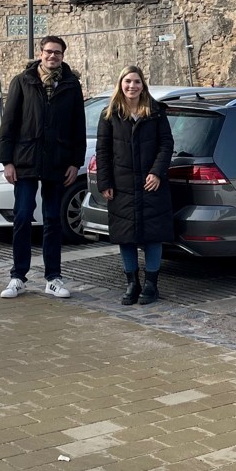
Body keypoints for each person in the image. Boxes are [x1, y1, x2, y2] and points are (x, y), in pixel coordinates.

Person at [0, 35, 87, 299]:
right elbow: (9, 124)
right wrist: (7, 161)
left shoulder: (71, 85)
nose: (52, 57)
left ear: (63, 55)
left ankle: (53, 277)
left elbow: (77, 128)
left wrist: (75, 162)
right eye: (48, 52)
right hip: (26, 159)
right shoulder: (23, 81)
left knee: (52, 219)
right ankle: (17, 276)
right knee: (23, 217)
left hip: (57, 161)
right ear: (40, 53)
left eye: (57, 53)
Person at [95, 65, 174, 305]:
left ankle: (151, 285)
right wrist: (105, 182)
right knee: (125, 236)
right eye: (128, 81)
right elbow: (103, 151)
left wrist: (157, 172)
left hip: (151, 184)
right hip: (122, 186)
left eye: (137, 82)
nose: (132, 86)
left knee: (153, 236)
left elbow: (166, 144)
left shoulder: (156, 112)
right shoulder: (109, 114)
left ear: (143, 85)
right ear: (121, 84)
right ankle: (132, 284)